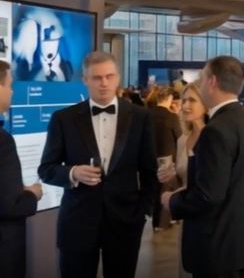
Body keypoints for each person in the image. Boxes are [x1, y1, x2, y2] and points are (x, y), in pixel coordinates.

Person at [38, 51, 158, 278]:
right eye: (96, 78)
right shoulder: (63, 119)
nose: (104, 83)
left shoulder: (141, 117)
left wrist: (143, 211)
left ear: (118, 77)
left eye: (109, 76)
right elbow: (46, 169)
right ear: (85, 80)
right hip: (78, 222)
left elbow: (149, 171)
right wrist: (73, 172)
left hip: (126, 222)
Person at [165, 57, 244, 278]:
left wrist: (171, 201)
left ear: (211, 82)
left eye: (202, 79)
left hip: (215, 250)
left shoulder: (215, 131)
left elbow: (208, 195)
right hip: (243, 247)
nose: (200, 84)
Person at [0, 59, 43, 277]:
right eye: (9, 85)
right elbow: (11, 207)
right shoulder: (3, 141)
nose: (12, 91)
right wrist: (32, 194)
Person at [158, 83, 206, 190]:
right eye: (184, 101)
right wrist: (170, 177)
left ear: (205, 105)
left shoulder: (213, 137)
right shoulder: (182, 140)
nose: (185, 105)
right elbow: (180, 186)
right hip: (183, 205)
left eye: (192, 100)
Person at [149, 88, 182, 230]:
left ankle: (157, 220)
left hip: (151, 156)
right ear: (168, 98)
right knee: (167, 187)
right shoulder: (172, 117)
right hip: (168, 156)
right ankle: (163, 222)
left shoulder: (147, 114)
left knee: (156, 188)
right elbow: (179, 137)